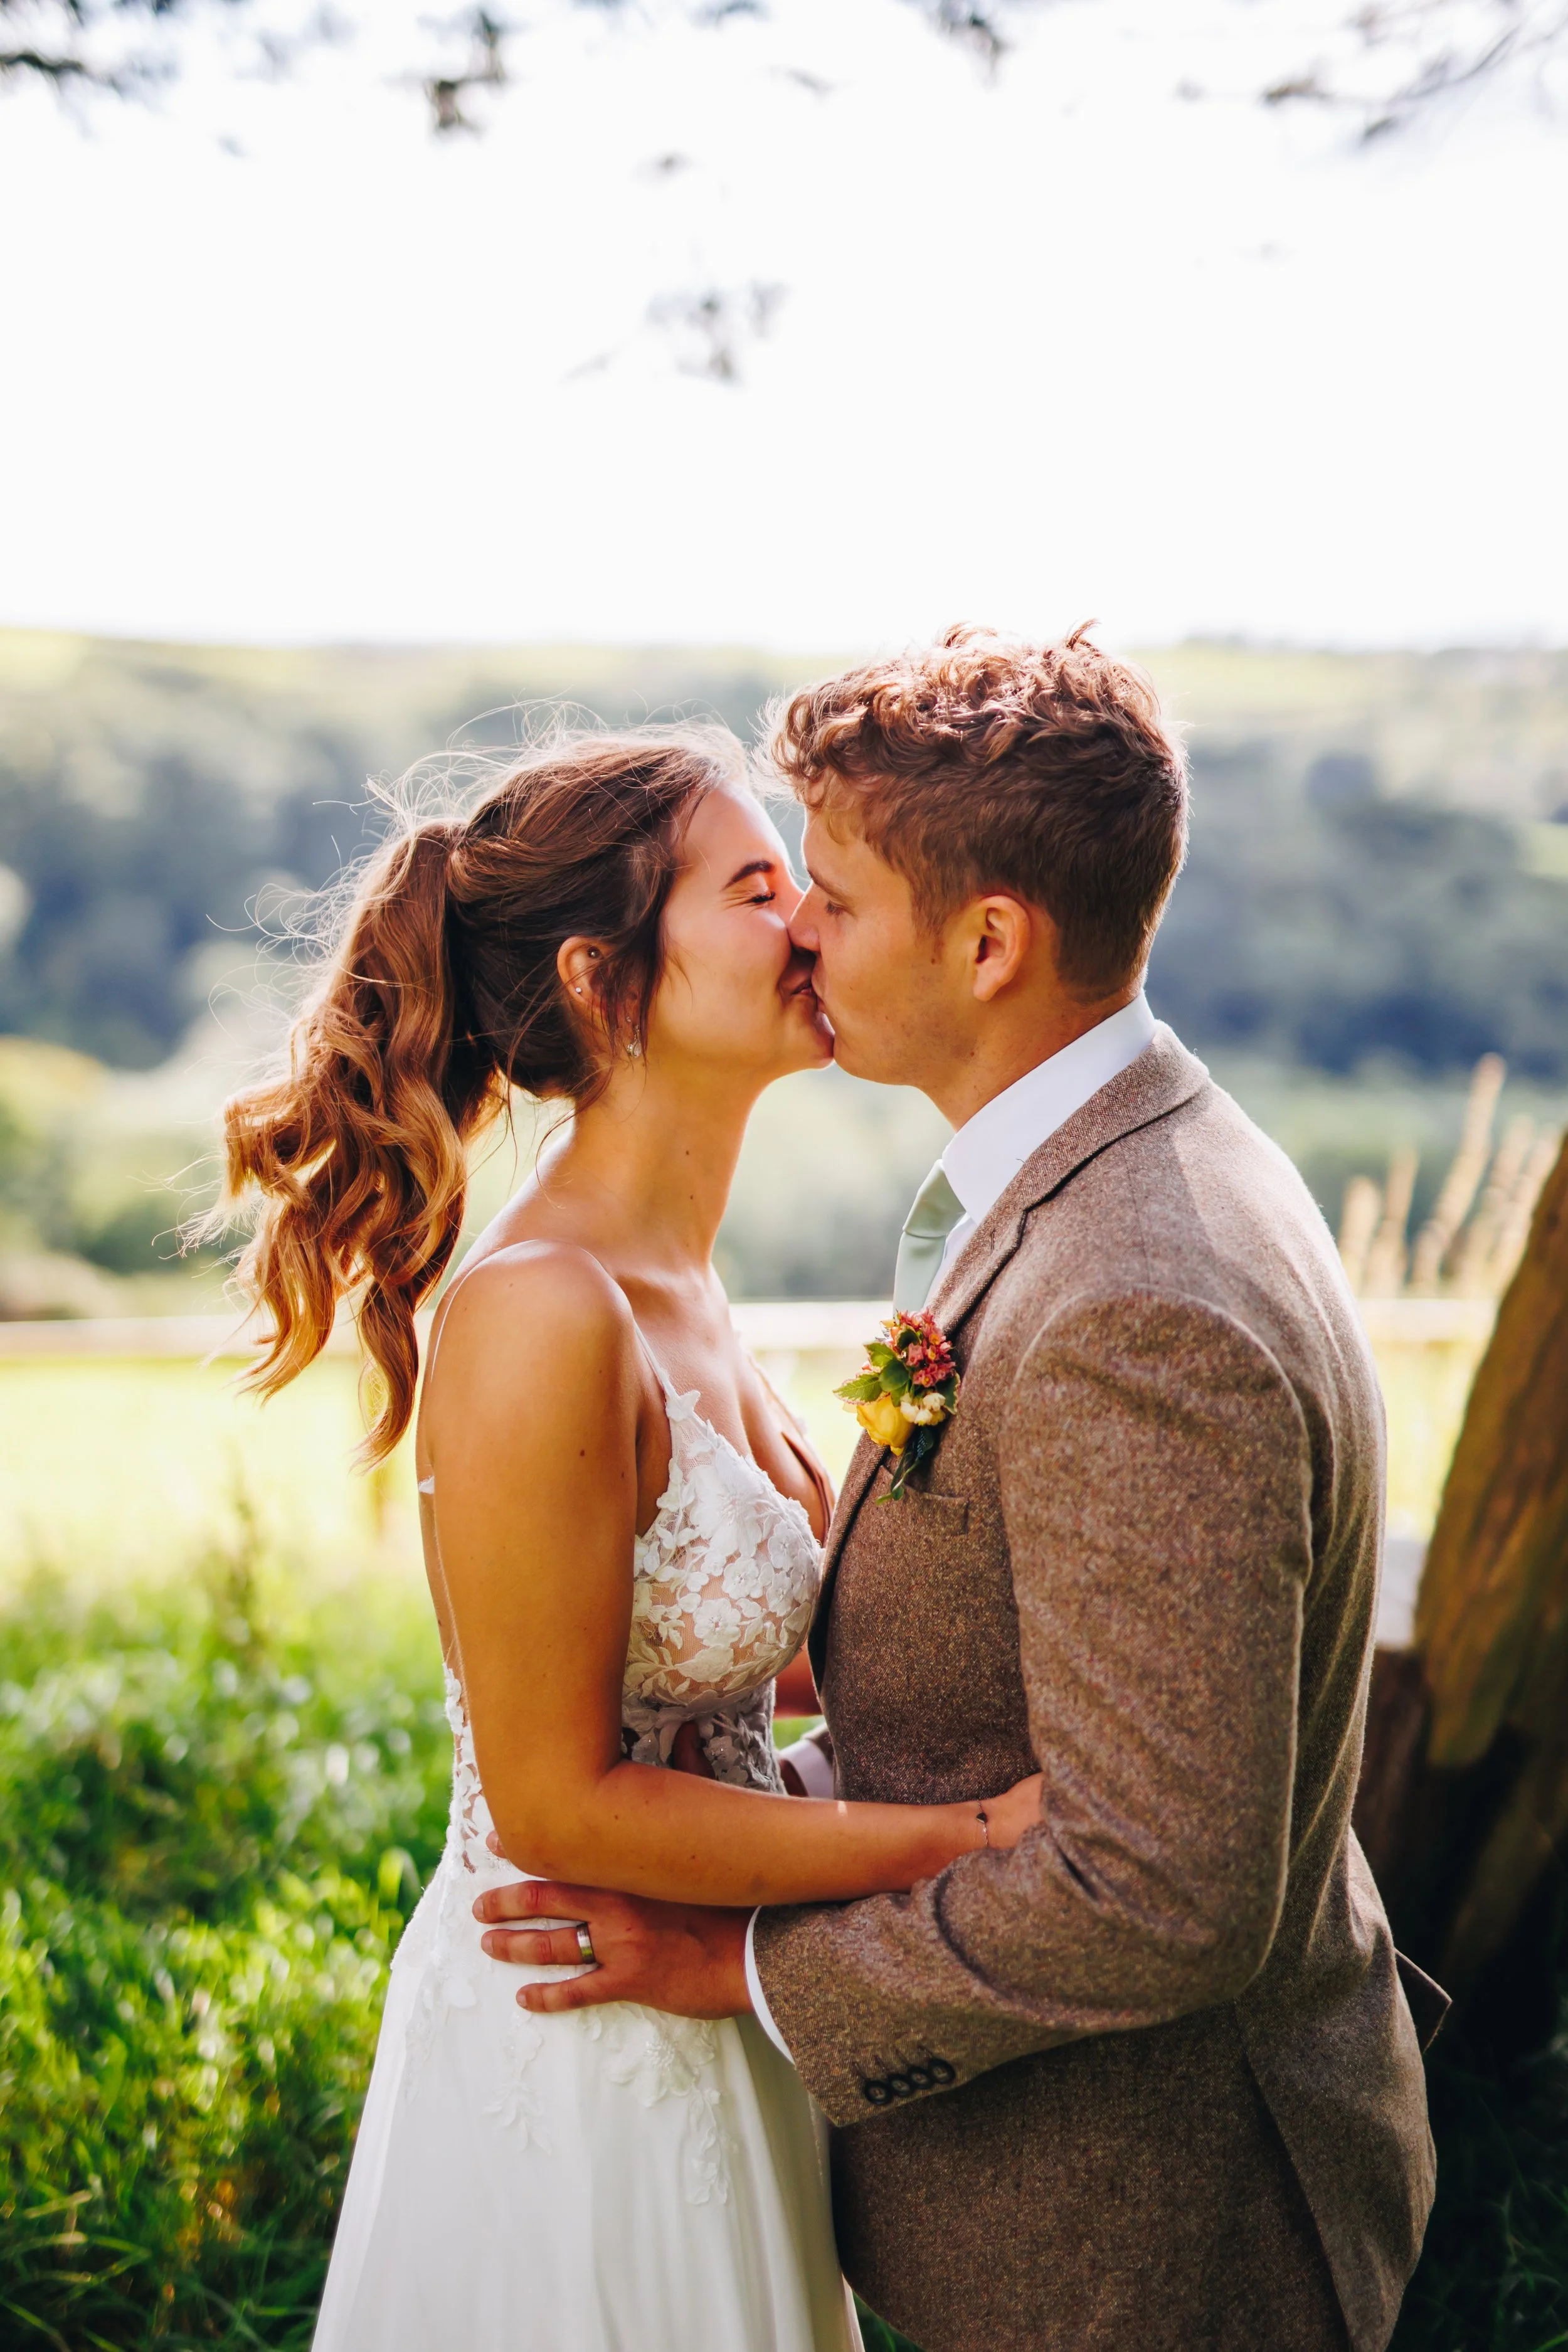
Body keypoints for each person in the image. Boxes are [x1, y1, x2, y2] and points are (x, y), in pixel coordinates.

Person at [475, 629, 1445, 2352]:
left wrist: (746, 1969)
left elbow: (1158, 1886)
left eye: (830, 893)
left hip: (1143, 2241)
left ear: (989, 939)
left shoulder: (1134, 1293)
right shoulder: (1106, 1169)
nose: (799, 931)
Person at [217, 723, 1042, 2352]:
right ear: (605, 982)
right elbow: (553, 1796)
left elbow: (766, 1673)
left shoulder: (687, 1289)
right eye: (755, 887)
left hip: (721, 2006)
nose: (807, 917)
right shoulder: (540, 1313)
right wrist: (963, 1839)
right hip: (575, 2048)